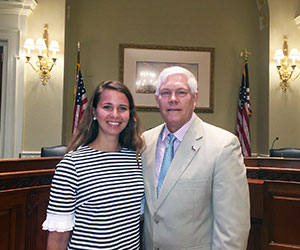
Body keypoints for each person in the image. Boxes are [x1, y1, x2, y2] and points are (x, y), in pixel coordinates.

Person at [142, 66, 250, 250]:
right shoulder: (145, 142)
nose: (173, 99)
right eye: (166, 92)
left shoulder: (223, 146)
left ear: (195, 99)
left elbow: (233, 229)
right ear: (157, 100)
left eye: (181, 92)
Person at [42, 80, 144, 250]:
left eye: (122, 108)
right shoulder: (72, 165)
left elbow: (135, 219)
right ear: (94, 112)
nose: (115, 115)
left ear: (130, 115)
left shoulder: (136, 160)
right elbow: (58, 239)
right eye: (107, 107)